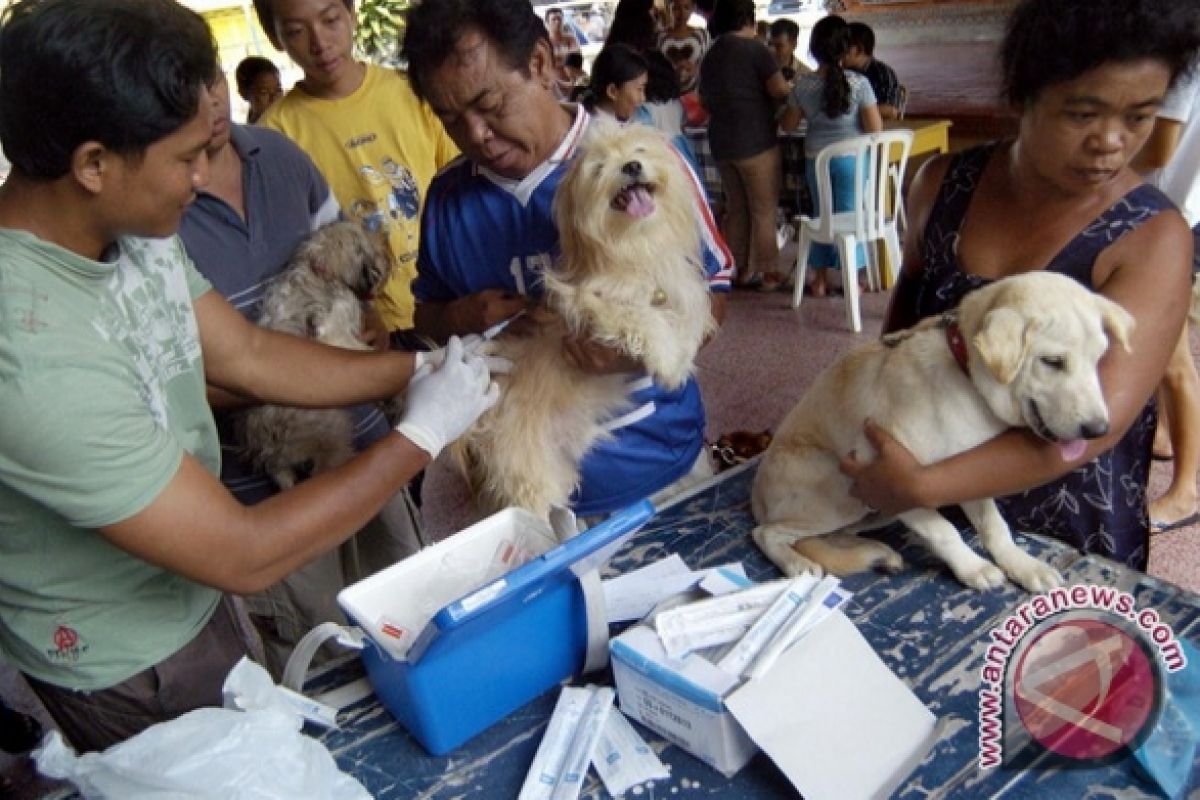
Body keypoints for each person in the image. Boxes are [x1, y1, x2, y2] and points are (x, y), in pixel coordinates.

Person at [0, 0, 501, 753]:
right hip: (130, 657)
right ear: (93, 164)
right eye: (184, 159)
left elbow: (251, 355)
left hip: (200, 595)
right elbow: (240, 548)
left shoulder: (127, 233)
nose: (203, 180)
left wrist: (419, 365)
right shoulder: (27, 348)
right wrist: (422, 431)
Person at [842, 0, 1200, 571]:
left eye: (1139, 117)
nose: (1111, 140)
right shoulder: (942, 185)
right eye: (1083, 114)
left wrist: (920, 485)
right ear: (1023, 95)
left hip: (1063, 518)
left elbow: (1095, 424)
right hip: (923, 495)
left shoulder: (1152, 237)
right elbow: (900, 342)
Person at [402, 0, 735, 521]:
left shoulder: (643, 163)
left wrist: (633, 353)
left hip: (658, 468)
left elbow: (713, 292)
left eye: (489, 104)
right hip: (527, 485)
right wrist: (463, 316)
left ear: (539, 63)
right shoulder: (447, 200)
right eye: (450, 119)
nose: (476, 135)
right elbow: (426, 313)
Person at [178, 65, 423, 676]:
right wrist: (303, 373)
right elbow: (175, 378)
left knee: (412, 610)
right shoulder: (153, 202)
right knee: (319, 651)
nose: (209, 100)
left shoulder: (280, 155)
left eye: (210, 78)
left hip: (365, 450)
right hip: (269, 487)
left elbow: (358, 267)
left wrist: (366, 328)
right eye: (184, 90)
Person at [251, 0, 460, 337]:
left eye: (331, 19)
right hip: (359, 336)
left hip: (448, 314)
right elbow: (292, 260)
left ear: (352, 14)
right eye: (296, 31)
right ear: (276, 38)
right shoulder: (274, 136)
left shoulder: (414, 91)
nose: (319, 43)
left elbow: (462, 194)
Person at [1135, 65, 1200, 533]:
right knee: (1163, 350)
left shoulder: (1184, 60)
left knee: (1173, 358)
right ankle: (1161, 435)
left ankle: (1185, 492)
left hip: (1169, 214)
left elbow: (1160, 149)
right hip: (1181, 210)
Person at [780, 14, 882, 298]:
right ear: (845, 49)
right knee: (851, 217)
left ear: (812, 49)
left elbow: (787, 126)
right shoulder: (860, 84)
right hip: (852, 161)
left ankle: (820, 280)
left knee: (821, 217)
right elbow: (876, 129)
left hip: (817, 161)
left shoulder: (802, 85)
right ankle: (853, 279)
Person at [700, 0, 791, 291]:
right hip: (756, 140)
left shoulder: (711, 54)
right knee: (763, 210)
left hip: (722, 143)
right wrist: (791, 90)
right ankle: (768, 273)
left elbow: (703, 100)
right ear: (749, 19)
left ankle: (738, 270)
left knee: (737, 208)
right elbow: (777, 88)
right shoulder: (756, 50)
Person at [844, 21, 902, 121]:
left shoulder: (883, 73)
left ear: (859, 50)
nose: (838, 51)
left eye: (843, 47)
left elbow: (891, 111)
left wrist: (847, 112)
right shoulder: (837, 71)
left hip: (870, 132)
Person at [585, 44, 650, 121]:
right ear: (612, 91)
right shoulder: (591, 128)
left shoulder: (633, 120)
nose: (643, 98)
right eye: (639, 89)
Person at [657, 0, 709, 94]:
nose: (682, 13)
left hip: (695, 93)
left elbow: (708, 63)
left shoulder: (701, 35)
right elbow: (656, 66)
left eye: (686, 7)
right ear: (670, 9)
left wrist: (695, 70)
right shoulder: (661, 37)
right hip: (666, 92)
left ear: (693, 8)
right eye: (676, 8)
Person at [545, 6, 582, 98]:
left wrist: (557, 57)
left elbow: (576, 56)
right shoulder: (544, 41)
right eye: (554, 19)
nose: (557, 22)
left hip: (573, 80)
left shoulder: (570, 38)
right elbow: (547, 59)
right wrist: (565, 56)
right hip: (554, 82)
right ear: (547, 23)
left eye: (559, 19)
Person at [234, 55, 283, 124]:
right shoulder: (252, 133)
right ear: (244, 94)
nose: (274, 98)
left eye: (278, 90)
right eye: (264, 92)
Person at [768, 18, 812, 83]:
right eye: (770, 44)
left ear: (794, 45)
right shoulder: (758, 69)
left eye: (779, 46)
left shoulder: (805, 75)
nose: (772, 50)